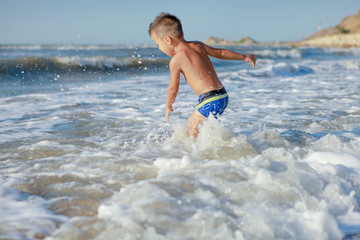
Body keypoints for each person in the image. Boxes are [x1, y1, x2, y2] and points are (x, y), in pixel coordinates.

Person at [148, 13, 256, 138]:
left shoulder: (175, 61)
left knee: (193, 133)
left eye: (158, 44)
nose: (159, 48)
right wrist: (244, 57)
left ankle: (195, 156)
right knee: (190, 126)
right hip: (222, 95)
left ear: (168, 40)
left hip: (210, 100)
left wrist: (168, 105)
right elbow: (220, 52)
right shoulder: (198, 45)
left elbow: (173, 87)